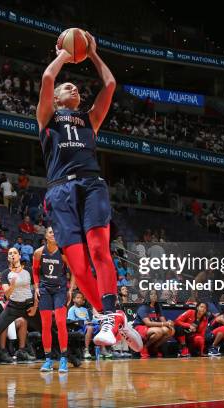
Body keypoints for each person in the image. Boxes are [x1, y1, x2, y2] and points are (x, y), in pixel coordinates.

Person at [36, 30, 141, 352]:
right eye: (67, 86)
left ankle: (109, 316)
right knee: (79, 266)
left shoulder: (89, 119)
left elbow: (109, 85)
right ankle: (114, 317)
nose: (74, 87)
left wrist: (93, 53)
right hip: (59, 192)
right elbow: (47, 76)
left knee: (99, 250)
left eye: (76, 87)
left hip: (91, 184)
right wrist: (65, 54)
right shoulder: (47, 118)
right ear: (54, 98)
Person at [0, 247, 39, 369]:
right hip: (13, 307)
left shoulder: (29, 271)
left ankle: (65, 355)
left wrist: (35, 306)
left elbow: (36, 290)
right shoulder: (5, 274)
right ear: (8, 258)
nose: (13, 255)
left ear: (19, 256)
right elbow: (7, 295)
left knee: (47, 329)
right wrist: (12, 285)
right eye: (10, 253)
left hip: (29, 306)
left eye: (15, 253)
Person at [33, 226, 76, 372]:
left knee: (60, 322)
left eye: (56, 232)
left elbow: (74, 271)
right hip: (45, 290)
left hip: (60, 290)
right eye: (51, 232)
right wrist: (37, 287)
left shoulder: (64, 253)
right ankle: (48, 359)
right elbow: (35, 271)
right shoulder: (39, 252)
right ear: (45, 235)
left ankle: (63, 358)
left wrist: (70, 290)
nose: (54, 234)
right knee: (45, 325)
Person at [132, 290, 174, 359]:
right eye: (151, 294)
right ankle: (144, 347)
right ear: (148, 296)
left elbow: (163, 320)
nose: (154, 296)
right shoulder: (143, 307)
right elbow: (148, 323)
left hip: (153, 327)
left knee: (170, 331)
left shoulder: (157, 306)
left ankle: (154, 347)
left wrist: (169, 323)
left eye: (155, 294)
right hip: (141, 327)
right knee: (158, 331)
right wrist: (165, 323)